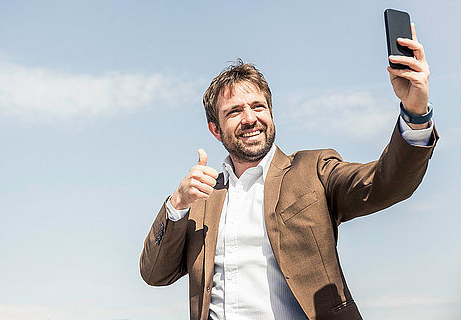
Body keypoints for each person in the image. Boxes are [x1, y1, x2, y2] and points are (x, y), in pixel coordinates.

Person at [139, 24, 438, 320]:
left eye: (258, 106)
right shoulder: (201, 198)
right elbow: (155, 273)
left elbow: (387, 183)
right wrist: (177, 204)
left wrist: (415, 114)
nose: (250, 118)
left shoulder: (313, 171)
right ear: (215, 130)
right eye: (234, 111)